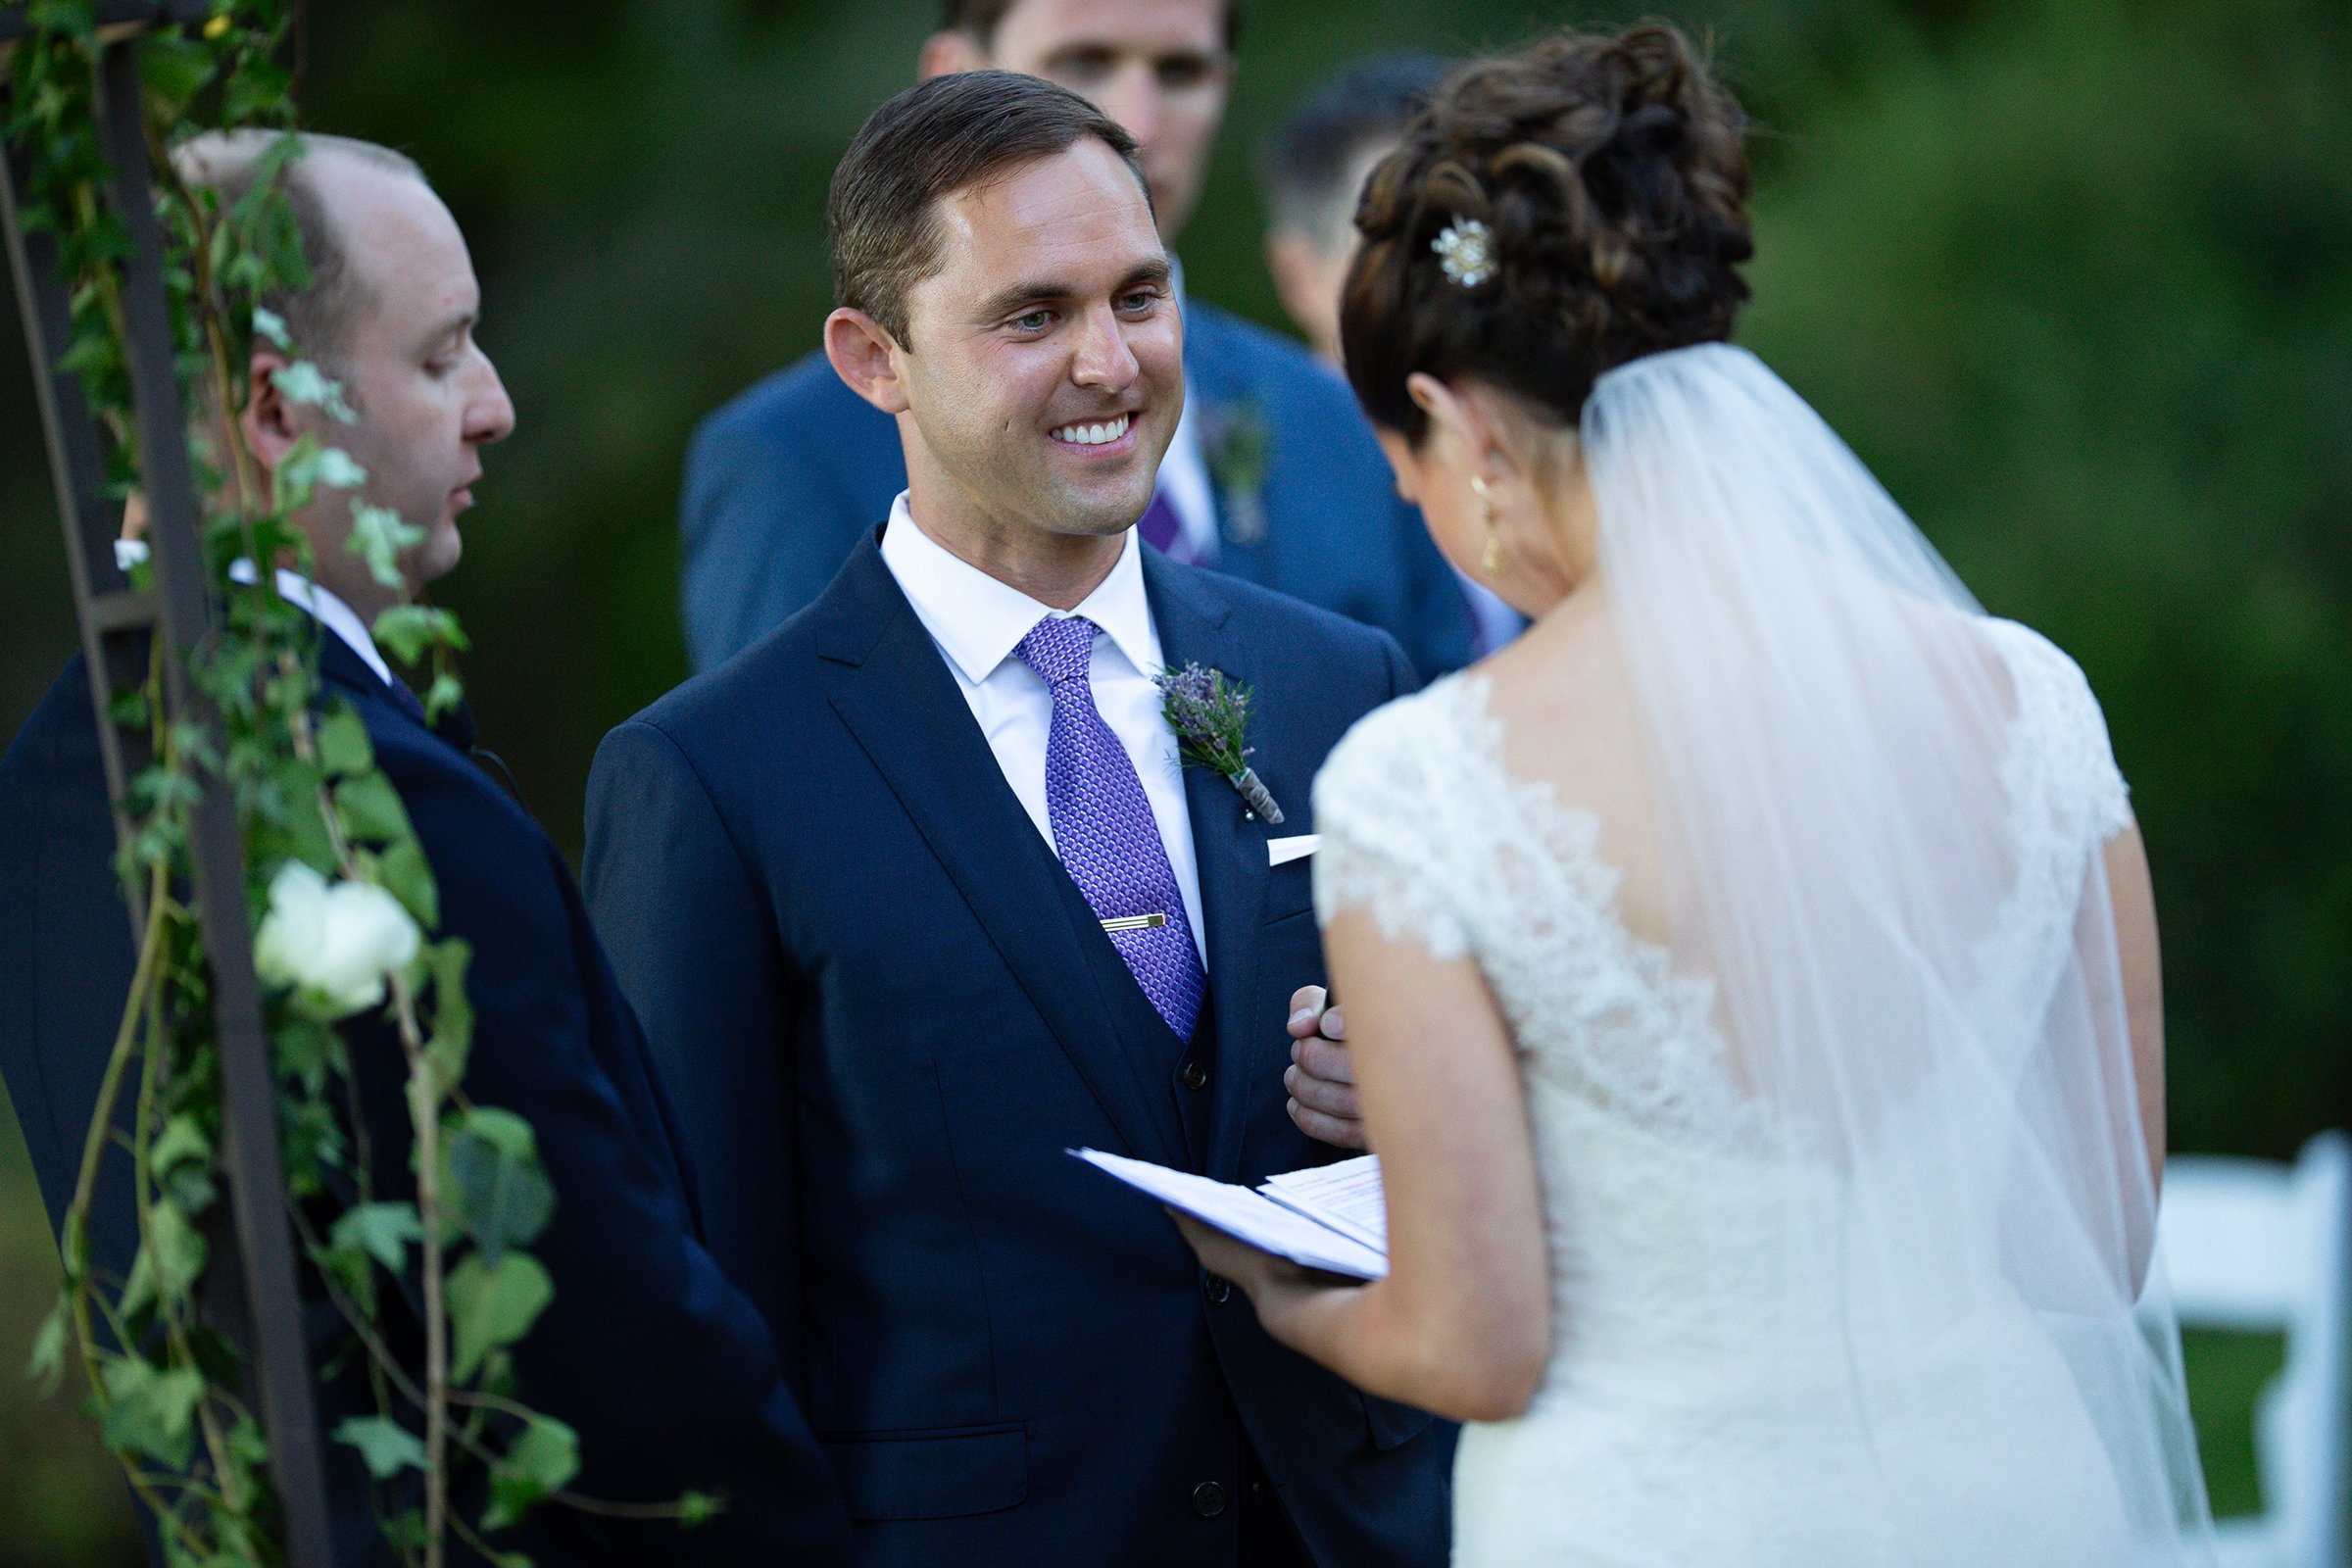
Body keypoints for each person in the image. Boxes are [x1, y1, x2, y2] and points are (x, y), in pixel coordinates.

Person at [1174, 24, 2217, 1565]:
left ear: (1458, 427)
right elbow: (2097, 1254)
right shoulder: (2033, 705)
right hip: (2018, 1492)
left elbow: (1479, 1348)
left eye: (1404, 467)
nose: (1416, 507)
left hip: (1663, 1514)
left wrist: (1277, 1293)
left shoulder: (1433, 781)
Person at [586, 72, 1450, 1568]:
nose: (1110, 363)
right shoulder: (714, 780)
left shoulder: (1334, 682)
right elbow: (703, 1322)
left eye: (1139, 296)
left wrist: (1413, 1112)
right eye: (1033, 316)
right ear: (876, 360)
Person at [0, 132, 855, 1566]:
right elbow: (590, 1315)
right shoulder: (374, 802)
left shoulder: (53, 773)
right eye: (444, 354)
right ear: (277, 409)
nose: (497, 406)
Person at [678, 0, 1482, 682]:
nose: (1139, 122)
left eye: (1180, 73)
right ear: (950, 70)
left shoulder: (1338, 417)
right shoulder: (788, 459)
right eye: (1086, 61)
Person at [1257, 52, 1523, 659]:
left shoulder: (1551, 444)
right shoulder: (1259, 484)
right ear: (1300, 274)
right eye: (1403, 242)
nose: (1450, 274)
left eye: (1468, 236)